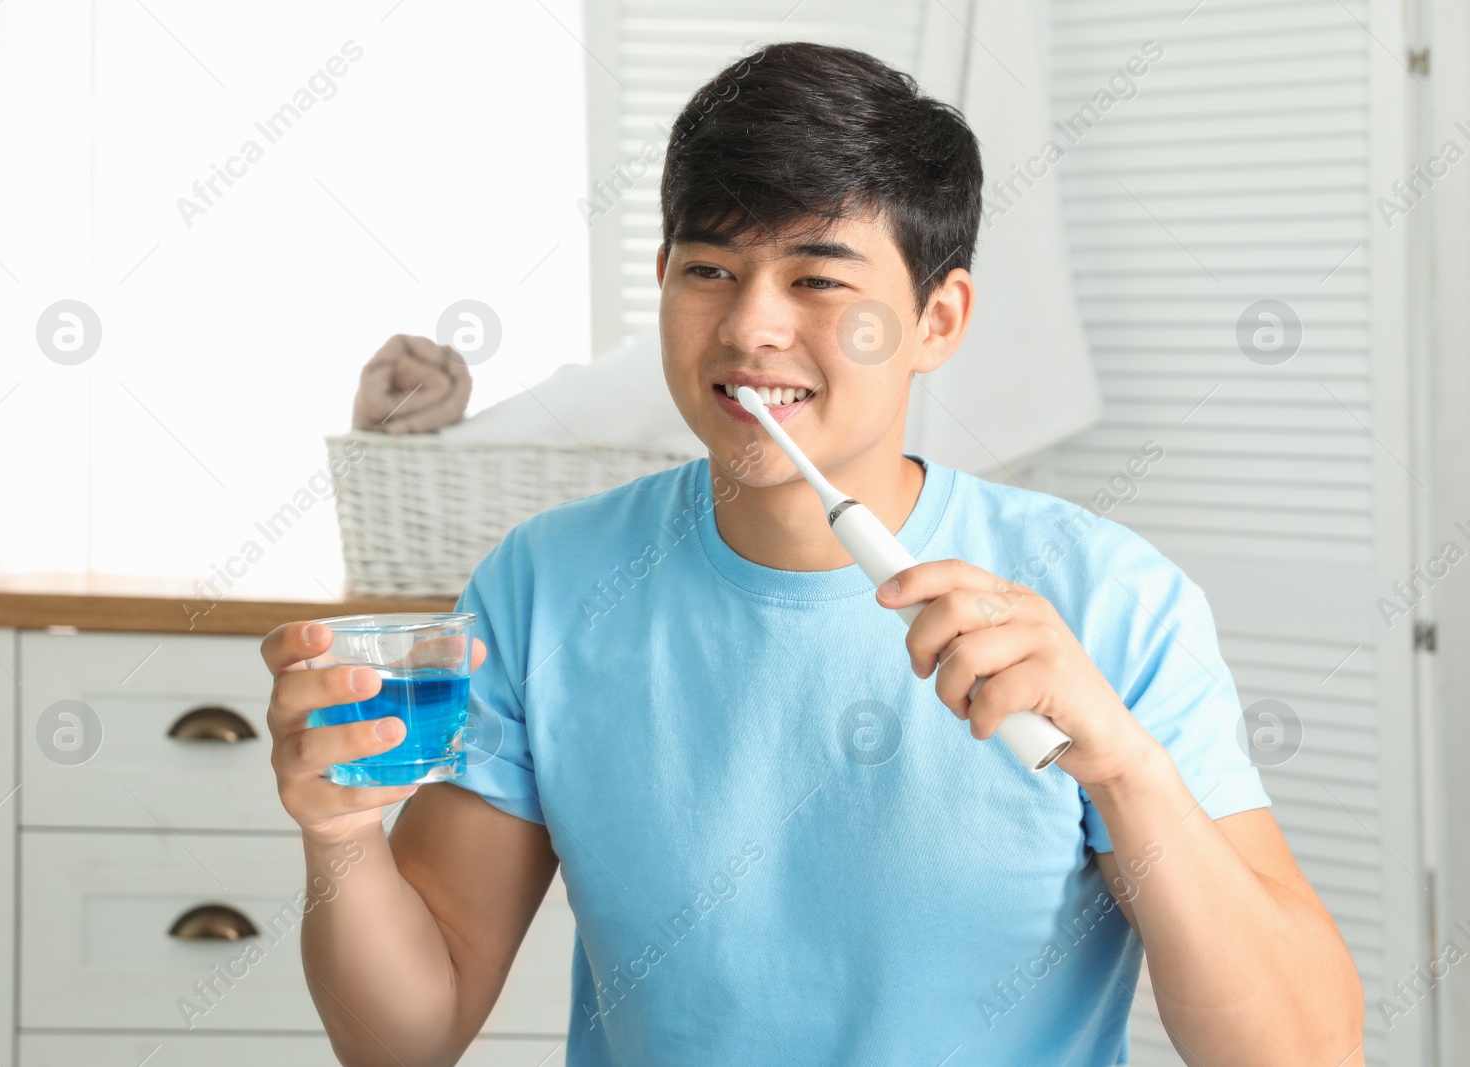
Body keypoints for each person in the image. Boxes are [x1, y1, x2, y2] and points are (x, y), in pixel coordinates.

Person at [262, 40, 1364, 1067]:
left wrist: (1125, 770)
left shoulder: (1110, 601)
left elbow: (1303, 1050)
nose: (750, 329)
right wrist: (342, 835)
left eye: (818, 278)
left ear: (938, 320)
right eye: (709, 270)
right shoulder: (543, 587)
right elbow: (407, 1033)